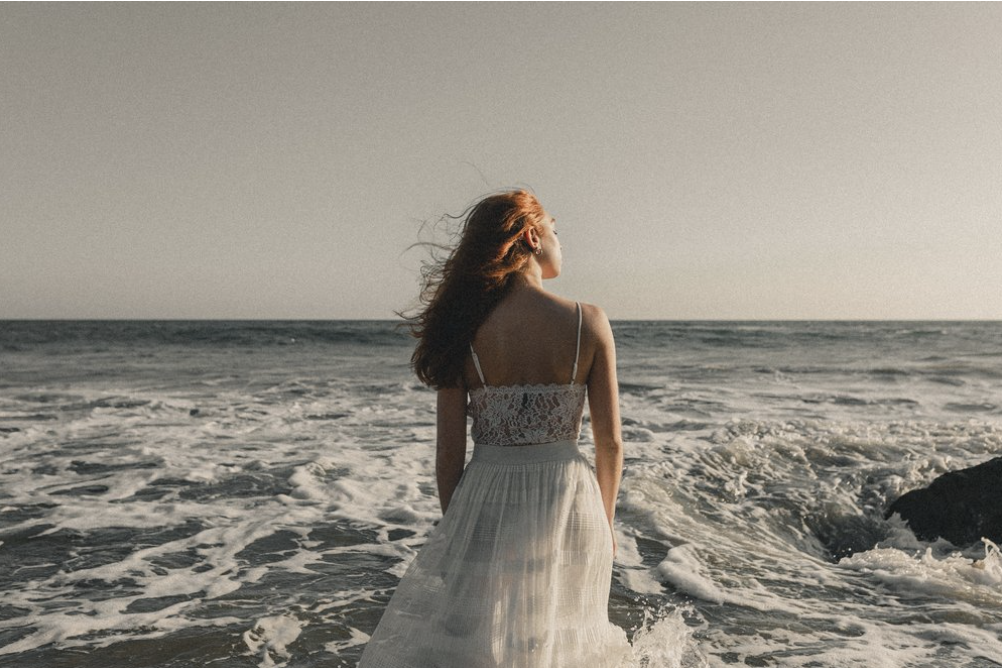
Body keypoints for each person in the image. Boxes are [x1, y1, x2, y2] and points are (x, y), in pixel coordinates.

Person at [358, 190, 630, 667]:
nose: (560, 241)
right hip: (569, 501)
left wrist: (457, 526)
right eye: (554, 229)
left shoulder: (459, 329)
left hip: (487, 498)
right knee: (562, 646)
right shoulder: (589, 321)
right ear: (531, 236)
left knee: (484, 647)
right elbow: (609, 444)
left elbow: (448, 456)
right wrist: (605, 523)